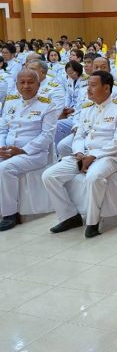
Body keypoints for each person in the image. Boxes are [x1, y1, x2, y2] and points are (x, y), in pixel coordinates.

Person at [42, 70, 117, 239]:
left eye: (93, 85)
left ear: (106, 88)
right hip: (83, 155)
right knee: (49, 175)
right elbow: (79, 136)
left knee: (93, 177)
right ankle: (69, 216)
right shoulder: (86, 110)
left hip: (110, 157)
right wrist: (79, 153)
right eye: (88, 85)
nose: (88, 89)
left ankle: (92, 222)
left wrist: (94, 156)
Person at [0, 68, 58, 231]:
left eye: (31, 82)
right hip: (7, 150)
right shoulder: (10, 102)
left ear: (38, 85)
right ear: (17, 85)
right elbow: (3, 129)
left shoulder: (47, 105)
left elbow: (47, 136)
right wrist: (1, 147)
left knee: (4, 169)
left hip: (34, 154)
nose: (26, 86)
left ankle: (10, 214)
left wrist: (22, 150)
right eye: (22, 82)